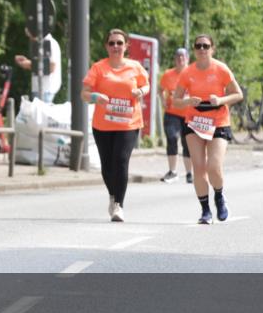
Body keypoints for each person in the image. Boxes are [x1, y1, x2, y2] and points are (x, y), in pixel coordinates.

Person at [173, 33, 243, 225]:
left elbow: (238, 94)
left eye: (205, 46)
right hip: (194, 122)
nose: (202, 50)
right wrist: (187, 101)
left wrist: (220, 100)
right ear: (194, 50)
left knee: (214, 166)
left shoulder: (221, 69)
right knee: (199, 168)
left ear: (212, 48)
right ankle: (205, 210)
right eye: (198, 46)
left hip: (218, 121)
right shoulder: (187, 72)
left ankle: (219, 196)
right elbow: (175, 101)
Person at [81, 29, 149, 223]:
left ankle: (119, 205)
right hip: (103, 125)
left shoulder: (135, 67)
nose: (115, 47)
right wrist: (95, 97)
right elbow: (84, 93)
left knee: (121, 161)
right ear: (106, 46)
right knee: (107, 166)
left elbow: (147, 84)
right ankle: (112, 194)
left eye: (119, 43)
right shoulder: (98, 68)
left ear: (126, 46)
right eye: (112, 43)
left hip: (129, 122)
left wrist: (141, 91)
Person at [158, 48, 193, 184]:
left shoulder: (192, 74)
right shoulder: (168, 74)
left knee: (188, 143)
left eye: (183, 57)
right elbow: (160, 90)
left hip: (188, 114)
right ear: (174, 59)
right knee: (172, 139)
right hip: (172, 113)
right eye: (178, 57)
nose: (180, 59)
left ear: (188, 59)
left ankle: (189, 173)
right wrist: (162, 101)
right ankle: (172, 171)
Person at [15, 29, 61, 103]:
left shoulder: (50, 43)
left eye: (31, 36)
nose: (31, 39)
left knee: (41, 114)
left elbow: (51, 67)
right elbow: (43, 63)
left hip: (45, 89)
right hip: (42, 89)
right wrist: (28, 62)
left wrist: (29, 64)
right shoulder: (43, 43)